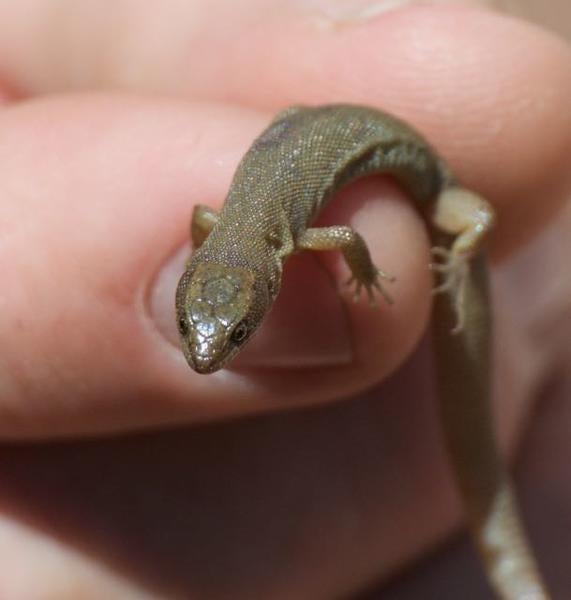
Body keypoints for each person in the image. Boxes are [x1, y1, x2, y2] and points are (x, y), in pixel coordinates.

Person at [1, 2, 570, 597]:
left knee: (472, 221)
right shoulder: (245, 232)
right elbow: (207, 220)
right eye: (195, 325)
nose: (206, 357)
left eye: (238, 334)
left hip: (435, 184)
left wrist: (373, 273)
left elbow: (349, 238)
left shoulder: (286, 237)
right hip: (311, 136)